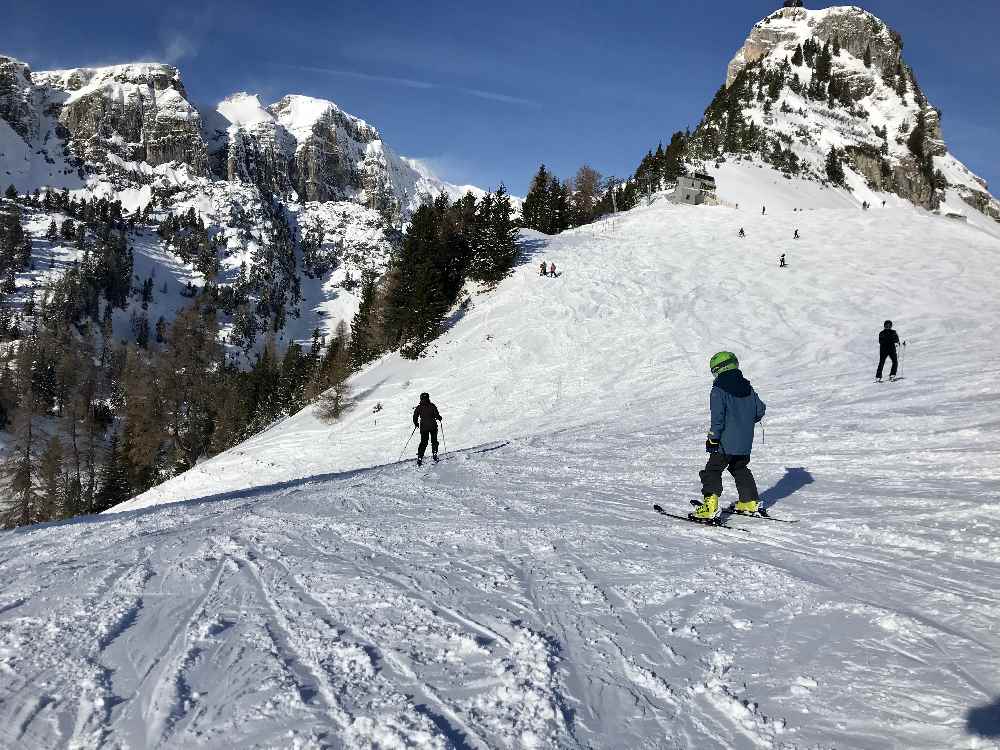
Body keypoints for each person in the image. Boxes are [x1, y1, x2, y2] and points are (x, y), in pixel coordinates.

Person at [691, 352, 767, 521]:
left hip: (725, 442)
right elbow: (760, 410)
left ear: (719, 369)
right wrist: (745, 421)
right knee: (739, 468)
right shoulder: (748, 387)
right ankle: (750, 501)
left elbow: (717, 418)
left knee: (712, 470)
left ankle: (710, 507)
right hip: (745, 442)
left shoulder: (718, 389)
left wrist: (713, 438)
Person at [412, 392, 443, 465]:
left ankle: (420, 457)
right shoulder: (432, 406)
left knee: (423, 442)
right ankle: (435, 454)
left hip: (424, 428)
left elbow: (415, 416)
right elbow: (437, 415)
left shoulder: (419, 407)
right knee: (434, 441)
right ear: (428, 398)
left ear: (421, 398)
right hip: (433, 426)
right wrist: (439, 418)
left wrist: (416, 423)